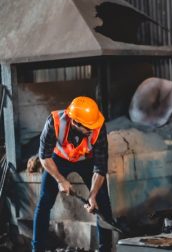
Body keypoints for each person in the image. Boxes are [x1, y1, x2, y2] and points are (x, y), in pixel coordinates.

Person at [32, 96, 112, 252]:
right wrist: (60, 180)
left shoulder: (98, 126)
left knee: (103, 203)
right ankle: (37, 249)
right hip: (58, 159)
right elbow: (44, 156)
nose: (91, 130)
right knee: (44, 202)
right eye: (87, 127)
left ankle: (106, 249)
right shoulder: (54, 122)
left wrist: (93, 195)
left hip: (86, 160)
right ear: (74, 122)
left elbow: (100, 167)